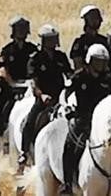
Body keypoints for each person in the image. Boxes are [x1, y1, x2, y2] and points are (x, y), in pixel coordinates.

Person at [62, 44, 111, 192]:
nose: (101, 65)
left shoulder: (109, 79)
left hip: (103, 122)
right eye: (98, 61)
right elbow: (65, 94)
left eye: (103, 62)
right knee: (71, 145)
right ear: (89, 61)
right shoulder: (79, 77)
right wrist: (67, 106)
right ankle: (67, 182)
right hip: (83, 119)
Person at [19, 24, 72, 166]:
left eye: (54, 39)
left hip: (60, 97)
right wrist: (41, 95)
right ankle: (24, 152)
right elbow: (33, 82)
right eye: (50, 39)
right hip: (44, 98)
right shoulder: (35, 58)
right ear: (43, 41)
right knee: (31, 120)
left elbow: (69, 74)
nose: (53, 42)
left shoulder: (61, 56)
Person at [0, 15, 37, 152]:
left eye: (24, 29)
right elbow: (2, 70)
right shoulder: (7, 50)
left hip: (29, 85)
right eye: (19, 29)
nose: (22, 32)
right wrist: (13, 84)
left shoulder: (32, 49)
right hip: (10, 85)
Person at [69, 5, 109, 73]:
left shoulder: (104, 41)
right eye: (93, 18)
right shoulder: (80, 43)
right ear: (86, 20)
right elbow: (78, 65)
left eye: (98, 18)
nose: (97, 21)